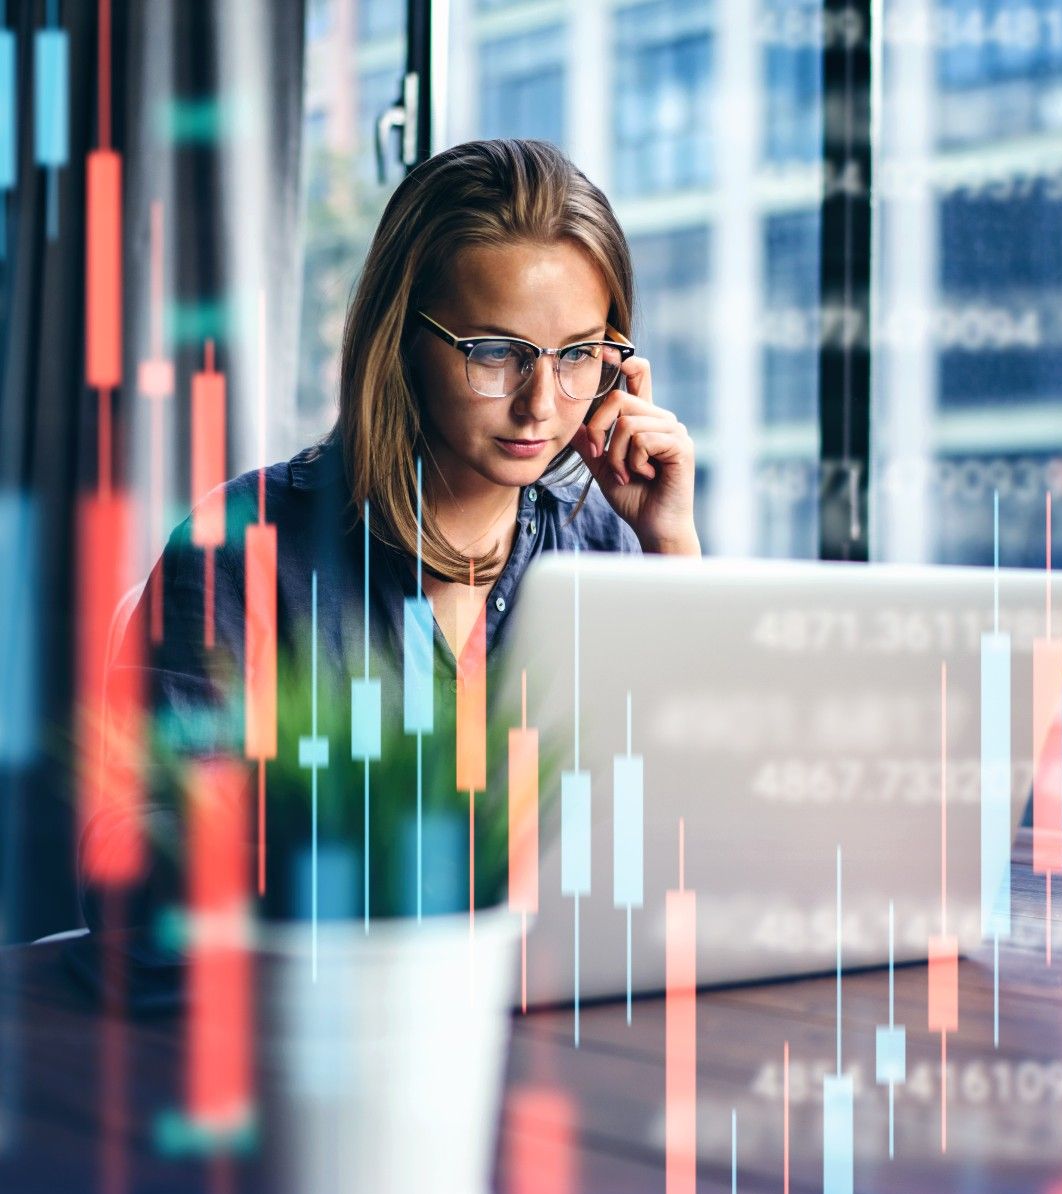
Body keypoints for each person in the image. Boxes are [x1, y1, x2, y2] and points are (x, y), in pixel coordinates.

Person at [74, 138, 701, 1000]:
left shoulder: (606, 542)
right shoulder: (244, 545)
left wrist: (670, 548)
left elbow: (694, 827)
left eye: (578, 354)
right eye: (494, 352)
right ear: (402, 338)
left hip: (557, 1014)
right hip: (324, 1034)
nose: (541, 403)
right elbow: (131, 864)